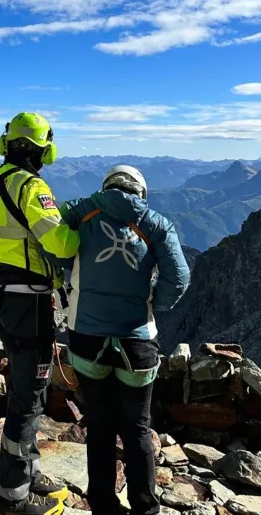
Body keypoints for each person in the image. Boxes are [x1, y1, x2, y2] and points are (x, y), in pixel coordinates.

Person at [60, 165, 190, 515]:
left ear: (107, 187)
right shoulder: (156, 224)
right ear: (140, 192)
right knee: (136, 429)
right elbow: (179, 278)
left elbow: (51, 242)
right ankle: (144, 509)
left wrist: (67, 283)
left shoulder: (79, 211)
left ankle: (102, 506)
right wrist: (150, 304)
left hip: (86, 338)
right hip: (137, 342)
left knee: (99, 426)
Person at [0, 112, 81, 515]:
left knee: (24, 389)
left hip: (1, 297)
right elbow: (60, 241)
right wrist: (80, 233)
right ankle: (12, 497)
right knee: (30, 397)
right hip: (29, 302)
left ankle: (28, 470)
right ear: (44, 149)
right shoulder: (31, 186)